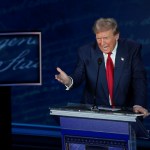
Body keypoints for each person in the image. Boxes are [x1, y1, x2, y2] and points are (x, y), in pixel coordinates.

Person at [55, 17, 149, 117]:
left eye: (106, 38)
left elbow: (138, 79)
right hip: (94, 114)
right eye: (98, 38)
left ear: (116, 36)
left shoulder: (131, 49)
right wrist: (68, 81)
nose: (102, 43)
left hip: (125, 112)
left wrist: (139, 104)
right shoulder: (86, 52)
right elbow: (78, 75)